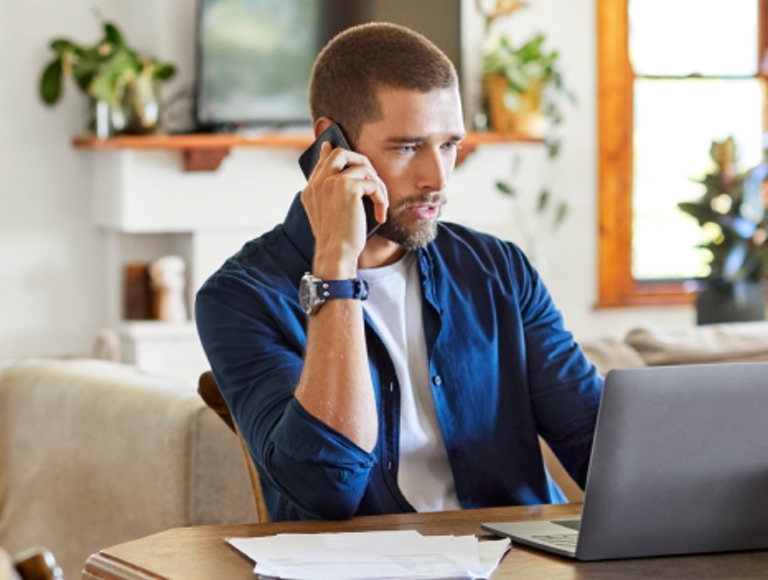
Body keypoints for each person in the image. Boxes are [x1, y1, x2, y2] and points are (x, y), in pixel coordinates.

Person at [195, 22, 602, 522]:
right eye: (407, 147)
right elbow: (326, 487)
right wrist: (335, 267)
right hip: (370, 559)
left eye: (449, 145)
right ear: (330, 145)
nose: (437, 178)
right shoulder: (239, 299)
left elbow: (595, 443)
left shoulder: (499, 269)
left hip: (519, 555)